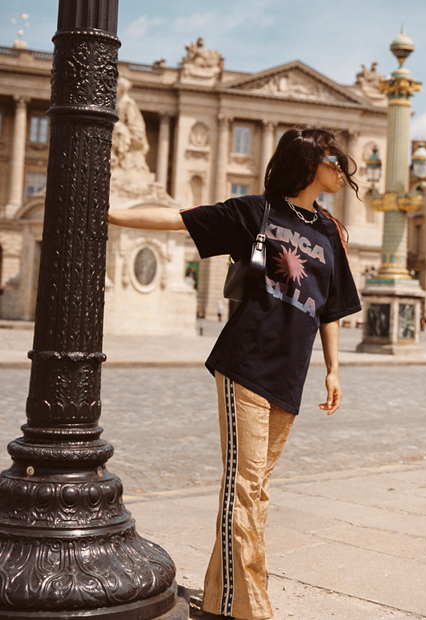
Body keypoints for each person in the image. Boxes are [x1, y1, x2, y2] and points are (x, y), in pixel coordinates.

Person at [108, 125, 362, 620]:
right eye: (335, 161)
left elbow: (331, 309)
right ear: (310, 164)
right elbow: (181, 219)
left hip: (292, 372)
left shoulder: (330, 231)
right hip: (246, 362)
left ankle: (222, 599)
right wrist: (110, 212)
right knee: (244, 485)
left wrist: (333, 370)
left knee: (256, 488)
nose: (342, 170)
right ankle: (251, 608)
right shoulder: (257, 211)